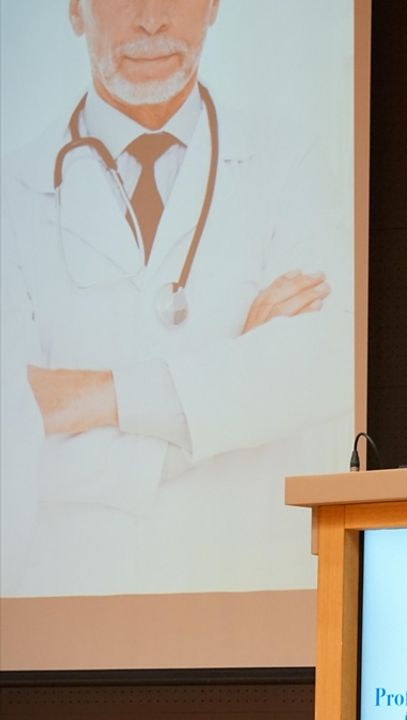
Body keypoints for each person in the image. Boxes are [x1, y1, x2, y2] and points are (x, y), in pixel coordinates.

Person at [0, 0, 352, 595]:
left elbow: (321, 365)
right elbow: (12, 436)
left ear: (213, 6)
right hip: (69, 600)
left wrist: (98, 397)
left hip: (251, 586)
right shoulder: (12, 193)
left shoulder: (288, 162)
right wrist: (229, 397)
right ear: (75, 10)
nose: (152, 19)